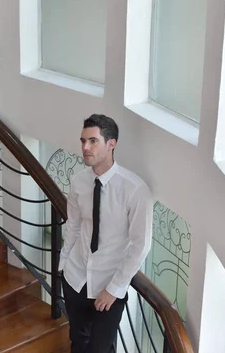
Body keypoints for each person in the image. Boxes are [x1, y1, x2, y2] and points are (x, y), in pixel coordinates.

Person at [59, 114, 153, 353]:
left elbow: (140, 244)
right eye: (83, 141)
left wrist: (114, 288)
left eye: (93, 141)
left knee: (101, 349)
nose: (85, 148)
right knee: (78, 342)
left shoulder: (135, 189)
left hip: (108, 287)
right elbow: (74, 225)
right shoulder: (78, 181)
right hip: (75, 278)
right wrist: (63, 265)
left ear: (111, 144)